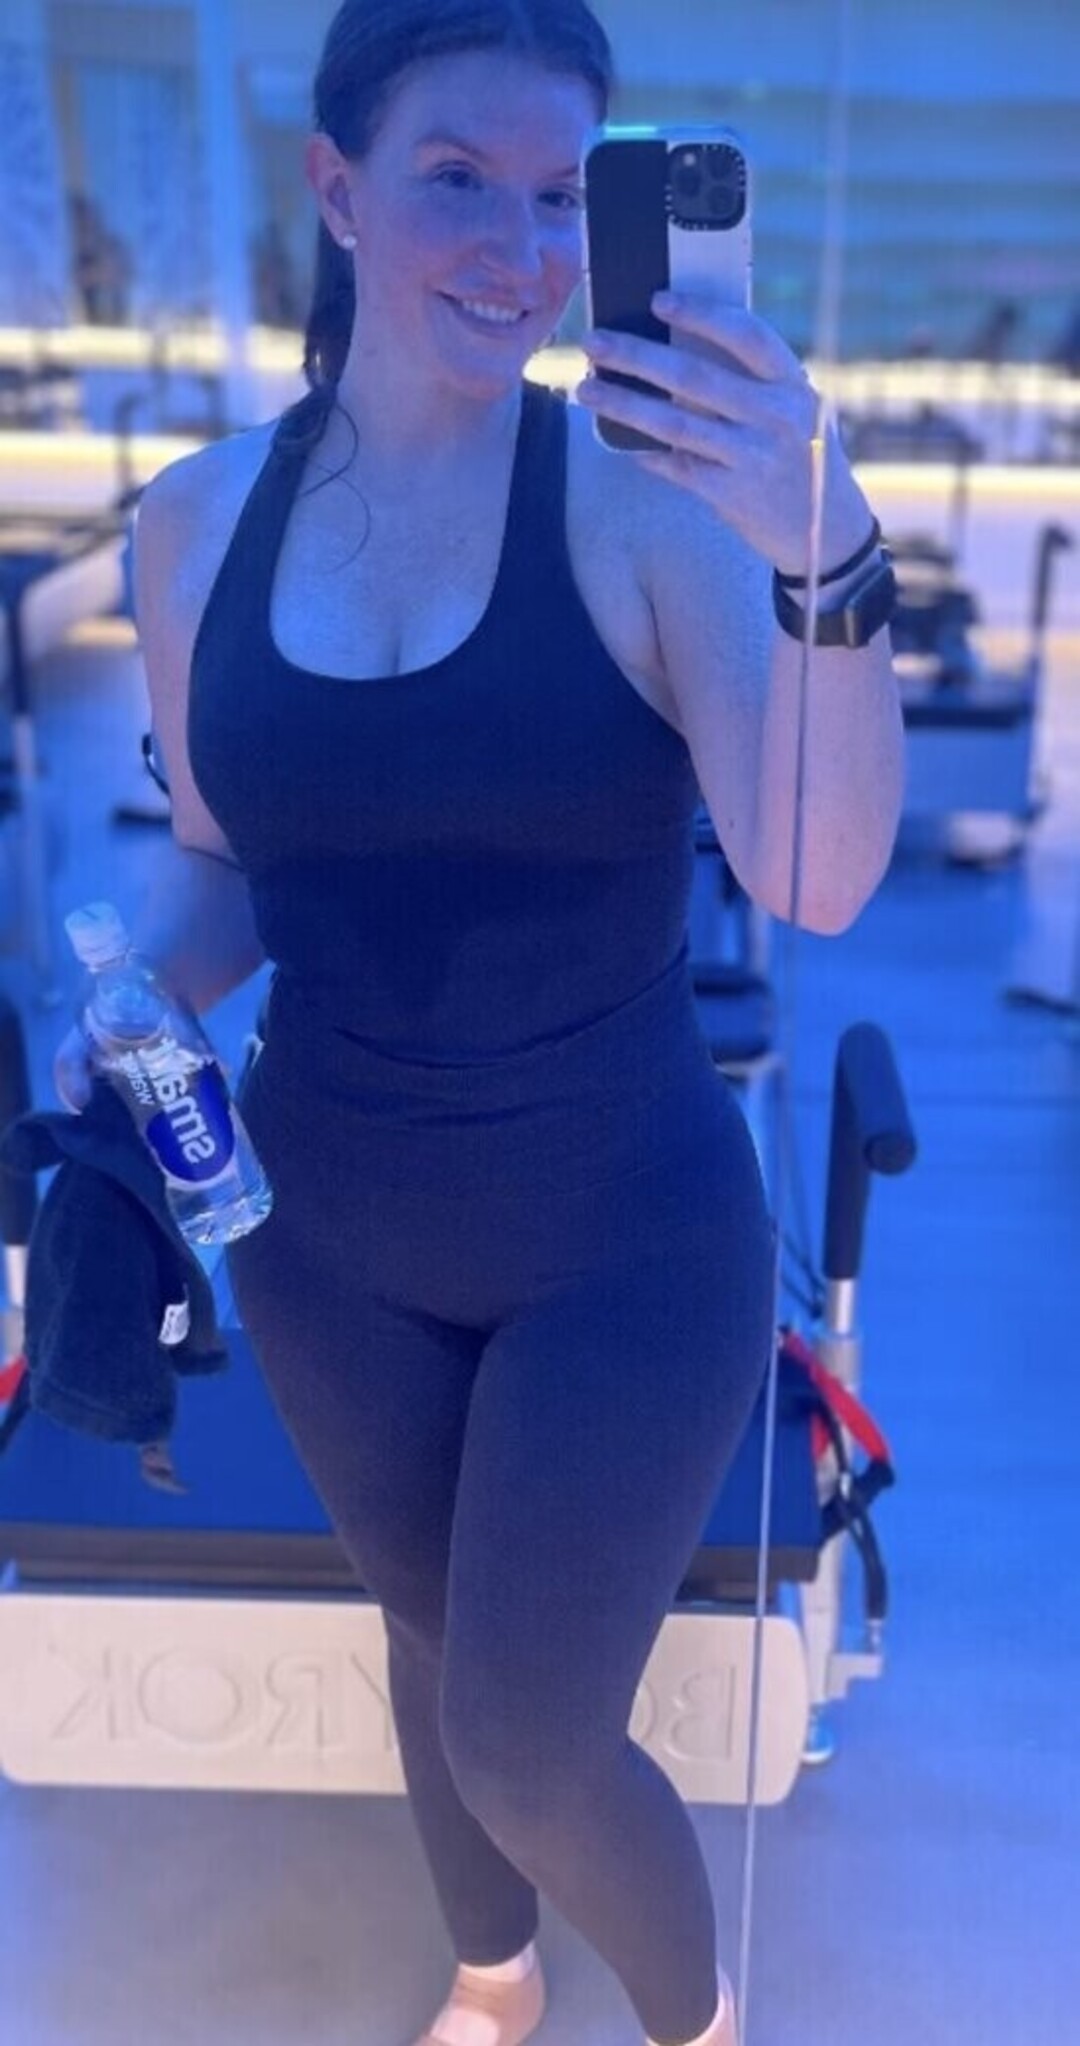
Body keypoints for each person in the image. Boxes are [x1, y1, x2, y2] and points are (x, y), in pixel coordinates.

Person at [55, 4, 905, 2043]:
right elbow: (226, 868)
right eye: (461, 178)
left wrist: (830, 551)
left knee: (526, 1729)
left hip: (625, 1234)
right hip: (322, 1239)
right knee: (432, 1645)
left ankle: (698, 2022)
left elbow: (815, 877)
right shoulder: (193, 526)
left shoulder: (651, 510)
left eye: (558, 196)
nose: (523, 252)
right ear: (338, 190)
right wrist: (134, 1020)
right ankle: (494, 1974)